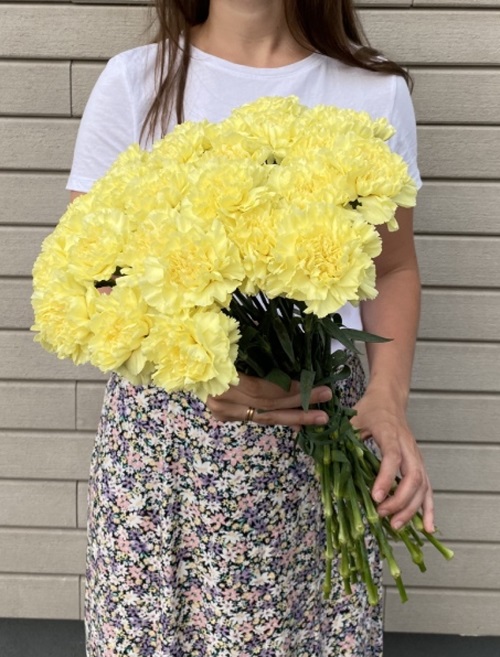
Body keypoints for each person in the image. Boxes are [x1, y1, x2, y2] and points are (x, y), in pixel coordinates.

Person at [67, 1, 434, 655]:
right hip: (162, 452)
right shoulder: (135, 82)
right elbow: (92, 277)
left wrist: (388, 396)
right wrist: (203, 363)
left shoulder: (373, 94)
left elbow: (396, 266)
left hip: (314, 429)